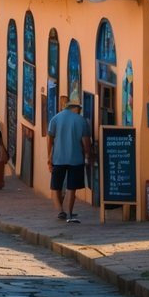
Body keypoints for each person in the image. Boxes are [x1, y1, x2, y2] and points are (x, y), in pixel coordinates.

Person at [47, 94, 93, 223]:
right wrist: (88, 155)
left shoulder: (55, 119)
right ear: (75, 108)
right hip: (76, 158)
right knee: (71, 187)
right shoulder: (81, 120)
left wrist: (49, 156)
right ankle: (70, 212)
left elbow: (50, 140)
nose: (80, 111)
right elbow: (86, 142)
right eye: (79, 108)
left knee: (55, 186)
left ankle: (60, 211)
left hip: (58, 157)